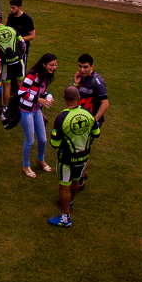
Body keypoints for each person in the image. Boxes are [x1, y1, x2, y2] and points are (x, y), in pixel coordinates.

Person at [47, 85, 99, 228]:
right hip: (83, 157)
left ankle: (65, 218)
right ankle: (70, 201)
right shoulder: (88, 113)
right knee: (76, 180)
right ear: (79, 98)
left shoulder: (61, 118)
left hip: (66, 159)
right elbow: (96, 133)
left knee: (64, 187)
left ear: (64, 97)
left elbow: (54, 144)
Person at [17, 53, 58, 177]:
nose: (54, 67)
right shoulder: (33, 75)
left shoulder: (44, 75)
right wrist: (39, 100)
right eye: (51, 65)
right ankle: (26, 166)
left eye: (55, 65)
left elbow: (40, 91)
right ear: (44, 64)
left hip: (36, 110)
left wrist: (46, 97)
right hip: (26, 111)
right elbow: (21, 91)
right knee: (30, 140)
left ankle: (40, 160)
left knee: (43, 139)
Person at [73, 53, 109, 191]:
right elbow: (71, 96)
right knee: (79, 147)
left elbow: (105, 103)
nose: (82, 70)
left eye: (85, 67)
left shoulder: (97, 82)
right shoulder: (79, 78)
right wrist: (75, 83)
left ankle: (81, 178)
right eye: (80, 66)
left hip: (90, 121)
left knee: (83, 149)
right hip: (79, 120)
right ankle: (82, 172)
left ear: (92, 67)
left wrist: (94, 121)